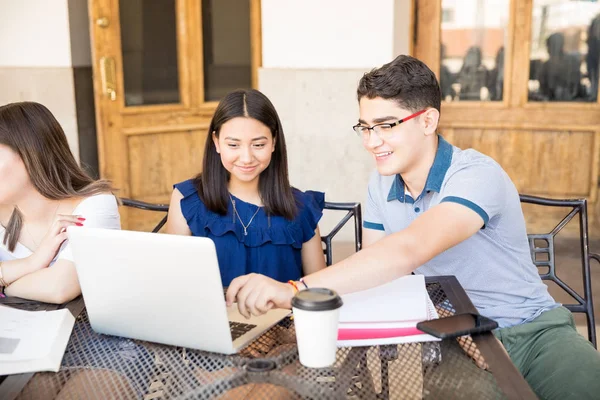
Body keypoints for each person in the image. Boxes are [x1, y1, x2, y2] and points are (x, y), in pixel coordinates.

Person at [225, 55, 600, 400]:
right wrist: (286, 321)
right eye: (365, 127)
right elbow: (378, 272)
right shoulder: (380, 185)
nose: (372, 143)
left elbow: (409, 250)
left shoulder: (475, 174)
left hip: (534, 330)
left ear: (427, 120)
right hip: (456, 337)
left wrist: (295, 289)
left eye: (386, 126)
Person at [0, 101, 149, 399]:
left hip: (102, 337)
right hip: (27, 336)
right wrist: (34, 262)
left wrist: (4, 282)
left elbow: (61, 287)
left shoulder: (94, 204)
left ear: (30, 154)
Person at [167, 89, 326, 286]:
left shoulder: (301, 208)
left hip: (283, 317)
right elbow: (174, 282)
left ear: (274, 142)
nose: (246, 158)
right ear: (216, 142)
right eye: (233, 145)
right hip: (211, 317)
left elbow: (319, 291)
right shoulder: (188, 199)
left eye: (258, 145)